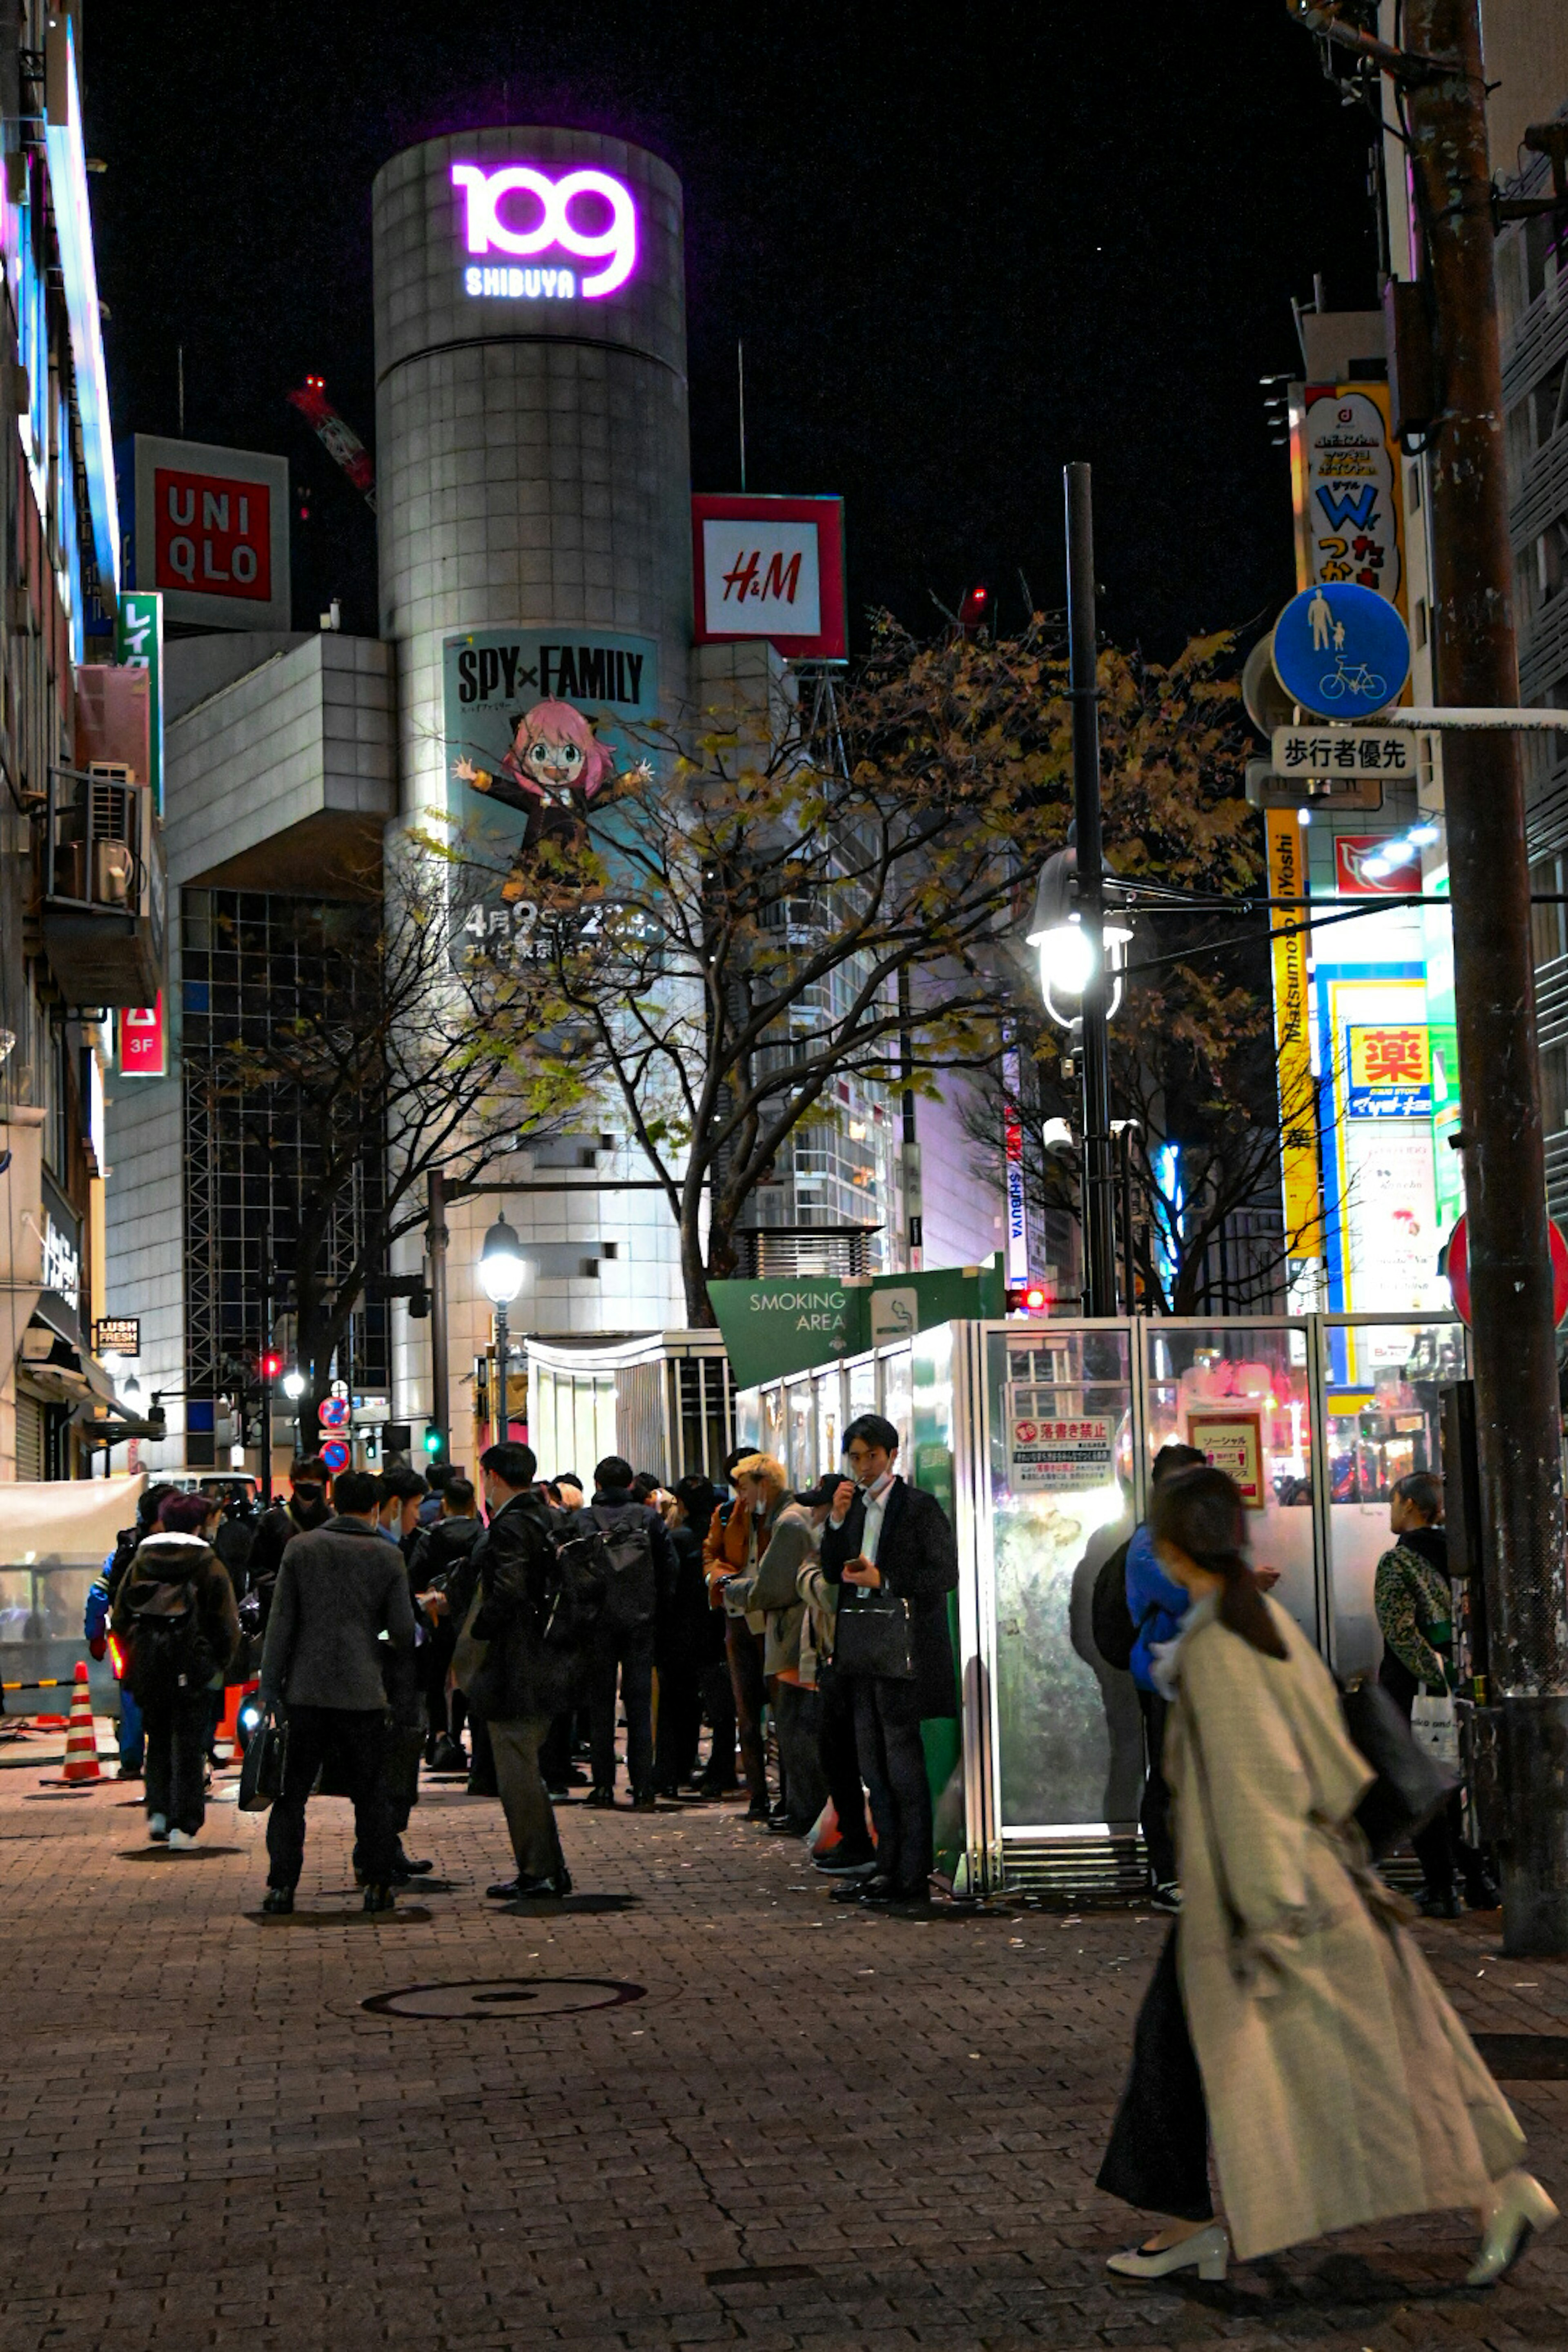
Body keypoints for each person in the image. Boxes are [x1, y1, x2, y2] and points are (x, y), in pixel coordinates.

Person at [1098, 1463, 1556, 2290]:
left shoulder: (1221, 1646)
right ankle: (1187, 2223)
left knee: (1378, 2073)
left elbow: (1255, 1787)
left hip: (1270, 1901)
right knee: (1197, 2054)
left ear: (1170, 1552)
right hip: (1301, 1885)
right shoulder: (1261, 1620)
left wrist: (1270, 1919)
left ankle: (1497, 2193)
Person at [256, 1467, 415, 1915]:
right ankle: (379, 1885)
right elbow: (402, 1631)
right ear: (376, 1508)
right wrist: (378, 1641)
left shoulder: (301, 1549)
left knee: (291, 1795)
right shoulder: (388, 1557)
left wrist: (271, 1688)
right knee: (371, 1794)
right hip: (364, 1695)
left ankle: (282, 1887)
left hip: (304, 1692)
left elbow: (280, 1626)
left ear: (334, 1499)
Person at [820, 1413, 959, 1907]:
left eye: (870, 1456)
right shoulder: (852, 1506)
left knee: (903, 1765)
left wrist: (886, 1579)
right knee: (872, 1765)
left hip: (905, 1653)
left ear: (892, 1454)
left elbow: (943, 1573)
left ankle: (911, 1874)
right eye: (854, 1457)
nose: (861, 1467)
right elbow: (832, 1573)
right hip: (862, 1650)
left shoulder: (919, 1507)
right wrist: (835, 1523)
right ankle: (887, 1867)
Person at [1375, 1470, 1496, 1915]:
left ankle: (1442, 1886)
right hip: (1456, 1688)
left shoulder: (1398, 1562)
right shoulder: (1458, 1554)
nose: (1392, 1509)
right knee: (1454, 1783)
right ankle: (1480, 1880)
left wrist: (1432, 1673)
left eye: (1393, 1500)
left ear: (1409, 1504)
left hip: (1414, 1692)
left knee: (1421, 1789)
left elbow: (1401, 1634)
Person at [467, 1441, 575, 1900]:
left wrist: (480, 1629)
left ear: (492, 1476)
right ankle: (547, 1867)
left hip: (518, 1663)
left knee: (519, 1774)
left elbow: (508, 1591)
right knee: (528, 1769)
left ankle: (540, 1871)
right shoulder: (551, 1517)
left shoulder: (511, 1526)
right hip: (553, 1655)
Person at [112, 1490, 240, 1847]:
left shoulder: (143, 1560)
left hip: (149, 1664)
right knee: (188, 1745)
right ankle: (184, 1826)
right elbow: (227, 1621)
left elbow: (121, 1615)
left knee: (158, 1739)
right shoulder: (208, 1563)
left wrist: (132, 1655)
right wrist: (219, 1663)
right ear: (198, 1525)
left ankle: (158, 1812)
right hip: (192, 1667)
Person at [722, 1461, 840, 1835]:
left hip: (793, 1641)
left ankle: (804, 1811)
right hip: (799, 1639)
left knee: (796, 1729)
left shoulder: (789, 1523)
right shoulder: (793, 1518)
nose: (741, 1497)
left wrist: (731, 1588)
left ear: (763, 1484)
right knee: (796, 1728)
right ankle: (801, 1808)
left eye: (745, 1488)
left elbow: (772, 1587)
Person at [1124, 1442, 1207, 1912]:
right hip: (1161, 1673)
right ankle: (1165, 1874)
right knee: (1167, 1773)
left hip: (1195, 1668)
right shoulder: (1148, 1543)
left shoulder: (1188, 1538)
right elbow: (1181, 1595)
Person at [577, 1453, 675, 1811]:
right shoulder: (648, 1518)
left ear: (598, 1485)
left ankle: (603, 1785)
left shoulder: (584, 1521)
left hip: (597, 1622)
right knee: (638, 1705)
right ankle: (643, 1785)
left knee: (600, 1704)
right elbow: (668, 1569)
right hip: (640, 1621)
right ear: (631, 1485)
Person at [653, 1474, 737, 1797]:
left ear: (682, 1505)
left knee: (676, 1706)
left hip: (679, 1633)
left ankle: (672, 1773)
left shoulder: (677, 1538)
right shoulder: (723, 1536)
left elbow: (667, 1588)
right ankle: (721, 1770)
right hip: (717, 1629)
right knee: (722, 1708)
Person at [705, 1443, 773, 1821]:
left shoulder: (779, 1514)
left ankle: (791, 1797)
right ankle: (758, 1795)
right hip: (737, 1615)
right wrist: (718, 1577)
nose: (741, 1492)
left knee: (782, 1704)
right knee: (745, 1712)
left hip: (771, 1616)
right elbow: (711, 1553)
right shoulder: (727, 1513)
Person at [408, 1474, 483, 1770]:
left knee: (437, 1680)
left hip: (438, 1618)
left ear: (445, 1504)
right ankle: (464, 1741)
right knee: (469, 1679)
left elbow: (413, 1576)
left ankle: (441, 1740)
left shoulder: (430, 1537)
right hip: (471, 1619)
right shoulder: (482, 1535)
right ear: (473, 1503)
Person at [248, 1457, 334, 1627]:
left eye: (315, 1479)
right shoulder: (273, 1521)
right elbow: (256, 1566)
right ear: (293, 1481)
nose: (309, 1484)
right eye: (304, 1478)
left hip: (325, 1612)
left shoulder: (333, 1522)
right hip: (281, 1612)